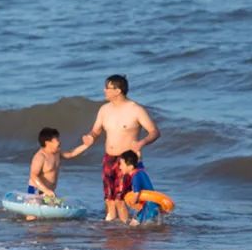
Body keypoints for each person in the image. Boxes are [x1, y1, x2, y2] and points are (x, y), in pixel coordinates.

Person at [79, 74, 160, 222]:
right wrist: (90, 136)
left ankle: (125, 232)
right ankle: (111, 230)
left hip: (127, 161)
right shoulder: (104, 109)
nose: (104, 90)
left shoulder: (135, 109)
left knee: (121, 199)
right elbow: (96, 130)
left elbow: (154, 132)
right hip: (109, 158)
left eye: (107, 88)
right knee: (109, 198)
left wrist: (142, 143)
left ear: (118, 90)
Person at [27, 127, 89, 197]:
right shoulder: (40, 157)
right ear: (47, 143)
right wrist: (46, 190)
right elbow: (33, 176)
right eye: (57, 140)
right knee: (38, 206)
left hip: (49, 192)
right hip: (35, 190)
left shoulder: (56, 153)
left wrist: (86, 145)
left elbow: (71, 153)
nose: (59, 142)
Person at [117, 149, 162, 226]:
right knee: (134, 224)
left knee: (141, 226)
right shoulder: (140, 169)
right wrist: (138, 151)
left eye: (121, 164)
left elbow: (137, 194)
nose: (120, 167)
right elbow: (140, 160)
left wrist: (132, 202)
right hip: (151, 204)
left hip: (149, 206)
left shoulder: (135, 177)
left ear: (130, 167)